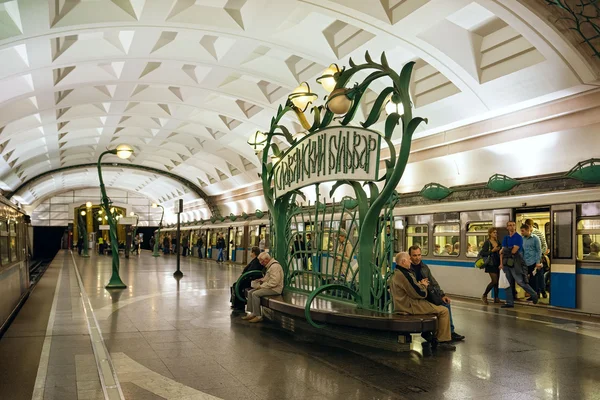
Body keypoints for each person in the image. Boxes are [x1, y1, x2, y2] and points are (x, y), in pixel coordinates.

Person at [390, 252, 455, 351]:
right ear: (403, 261)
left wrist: (419, 285)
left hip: (403, 304)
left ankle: (434, 336)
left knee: (438, 310)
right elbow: (419, 293)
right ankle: (442, 341)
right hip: (410, 306)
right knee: (443, 311)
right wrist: (424, 285)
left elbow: (412, 287)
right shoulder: (404, 274)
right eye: (409, 259)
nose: (410, 261)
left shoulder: (397, 273)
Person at [408, 245, 465, 342]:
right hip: (418, 297)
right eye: (414, 255)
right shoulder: (408, 269)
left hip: (428, 295)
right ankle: (433, 333)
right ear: (409, 256)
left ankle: (450, 331)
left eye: (419, 255)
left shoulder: (424, 267)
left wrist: (442, 295)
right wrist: (421, 284)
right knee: (442, 310)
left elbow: (433, 282)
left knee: (445, 303)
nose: (417, 258)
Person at [500, 221, 538, 308]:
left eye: (513, 225)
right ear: (507, 227)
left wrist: (506, 250)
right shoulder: (505, 238)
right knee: (507, 283)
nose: (512, 227)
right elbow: (501, 252)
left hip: (516, 262)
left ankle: (533, 294)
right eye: (510, 225)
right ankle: (509, 302)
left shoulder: (518, 237)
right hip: (506, 263)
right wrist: (501, 263)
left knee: (520, 281)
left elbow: (514, 250)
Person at [242, 252, 284, 323]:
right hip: (270, 287)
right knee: (250, 292)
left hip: (275, 289)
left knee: (255, 294)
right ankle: (252, 313)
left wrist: (261, 286)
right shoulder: (270, 266)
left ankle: (258, 316)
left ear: (267, 259)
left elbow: (274, 282)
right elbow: (268, 278)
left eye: (262, 261)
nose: (261, 263)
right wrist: (261, 280)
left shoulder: (275, 267)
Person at [522, 224, 545, 299]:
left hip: (534, 262)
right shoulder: (523, 239)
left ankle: (536, 294)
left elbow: (538, 251)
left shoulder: (535, 238)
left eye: (523, 231)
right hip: (526, 262)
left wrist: (537, 262)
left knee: (535, 280)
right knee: (529, 280)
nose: (521, 233)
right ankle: (533, 294)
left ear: (528, 230)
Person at [480, 227, 501, 304]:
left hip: (497, 262)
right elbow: (483, 253)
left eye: (496, 232)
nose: (495, 234)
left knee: (497, 281)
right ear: (490, 234)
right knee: (494, 281)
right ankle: (484, 295)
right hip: (490, 263)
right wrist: (492, 251)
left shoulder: (498, 241)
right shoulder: (487, 242)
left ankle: (496, 298)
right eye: (493, 233)